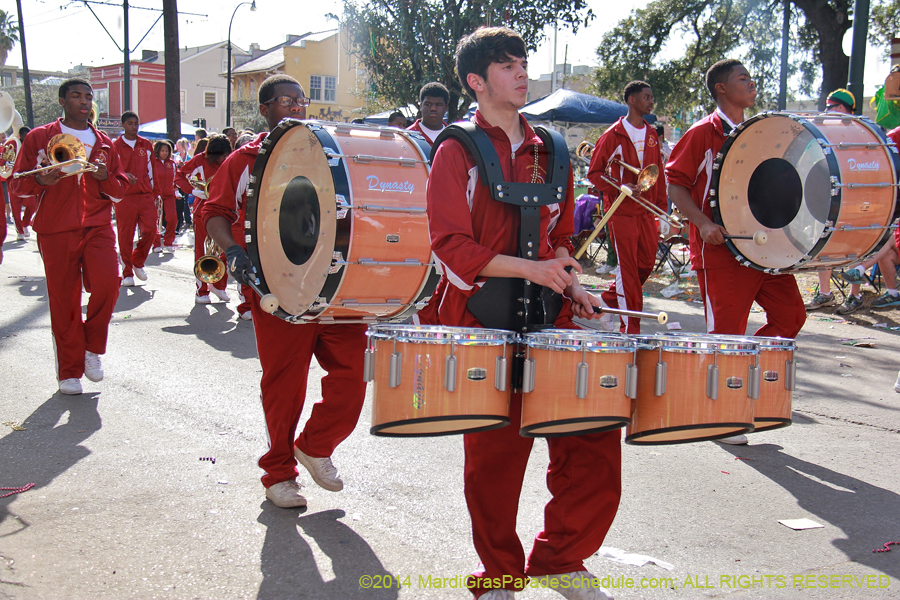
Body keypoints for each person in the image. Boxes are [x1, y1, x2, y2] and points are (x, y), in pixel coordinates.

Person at [427, 27, 616, 600]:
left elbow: (559, 236)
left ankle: (561, 558)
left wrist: (571, 280)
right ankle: (500, 573)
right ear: (476, 81)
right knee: (495, 460)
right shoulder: (455, 150)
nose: (521, 73)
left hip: (550, 317)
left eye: (523, 63)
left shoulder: (551, 149)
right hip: (480, 319)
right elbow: (450, 245)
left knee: (592, 442)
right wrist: (531, 269)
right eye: (507, 66)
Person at [202, 74, 368, 510]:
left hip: (337, 288)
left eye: (301, 99)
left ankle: (314, 445)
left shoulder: (330, 153)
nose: (296, 106)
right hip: (277, 287)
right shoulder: (244, 159)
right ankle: (278, 474)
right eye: (285, 100)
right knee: (284, 388)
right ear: (264, 109)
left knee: (354, 376)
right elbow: (214, 211)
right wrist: (233, 250)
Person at [665, 59, 806, 446]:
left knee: (791, 316)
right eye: (743, 78)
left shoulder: (760, 131)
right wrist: (702, 224)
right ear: (722, 88)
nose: (752, 82)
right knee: (726, 333)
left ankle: (736, 383)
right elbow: (675, 186)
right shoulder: (701, 133)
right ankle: (719, 416)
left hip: (765, 247)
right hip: (721, 251)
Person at [10, 78, 127, 395]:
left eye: (88, 96)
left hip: (98, 226)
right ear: (62, 101)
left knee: (108, 284)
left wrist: (105, 177)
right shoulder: (39, 137)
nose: (84, 101)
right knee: (65, 300)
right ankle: (69, 371)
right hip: (55, 229)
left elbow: (119, 191)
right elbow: (17, 184)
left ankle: (91, 348)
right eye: (76, 96)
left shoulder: (104, 143)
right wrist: (40, 182)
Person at [586, 81, 667, 333]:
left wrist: (663, 210)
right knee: (629, 270)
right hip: (621, 211)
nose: (651, 101)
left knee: (646, 264)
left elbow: (658, 174)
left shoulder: (651, 134)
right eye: (646, 97)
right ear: (632, 100)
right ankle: (630, 328)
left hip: (646, 209)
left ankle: (606, 302)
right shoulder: (613, 134)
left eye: (651, 97)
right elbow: (594, 173)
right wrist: (619, 187)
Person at [806, 89, 862, 313]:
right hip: (831, 195)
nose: (827, 112)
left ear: (840, 108)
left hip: (855, 195)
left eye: (830, 108)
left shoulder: (859, 131)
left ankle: (855, 296)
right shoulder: (827, 132)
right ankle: (825, 294)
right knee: (825, 242)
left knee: (855, 245)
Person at [175, 134, 232, 304]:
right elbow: (179, 176)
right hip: (203, 210)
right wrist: (194, 191)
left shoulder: (230, 160)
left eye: (226, 155)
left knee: (227, 248)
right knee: (202, 251)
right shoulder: (200, 160)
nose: (223, 159)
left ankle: (219, 285)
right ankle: (201, 291)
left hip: (225, 210)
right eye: (221, 155)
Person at [112, 111, 156, 287]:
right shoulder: (114, 146)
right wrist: (122, 176)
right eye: (130, 123)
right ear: (122, 125)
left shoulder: (146, 144)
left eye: (136, 123)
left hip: (145, 195)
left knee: (151, 229)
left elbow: (152, 169)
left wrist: (155, 192)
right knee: (125, 236)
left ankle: (137, 261)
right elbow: (111, 171)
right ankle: (127, 272)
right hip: (125, 197)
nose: (133, 127)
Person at [150, 140, 178, 252]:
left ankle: (169, 242)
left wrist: (176, 192)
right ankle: (156, 243)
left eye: (166, 151)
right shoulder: (152, 163)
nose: (165, 153)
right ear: (157, 151)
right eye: (162, 150)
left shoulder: (172, 163)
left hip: (169, 195)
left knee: (172, 218)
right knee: (156, 220)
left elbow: (175, 179)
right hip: (156, 195)